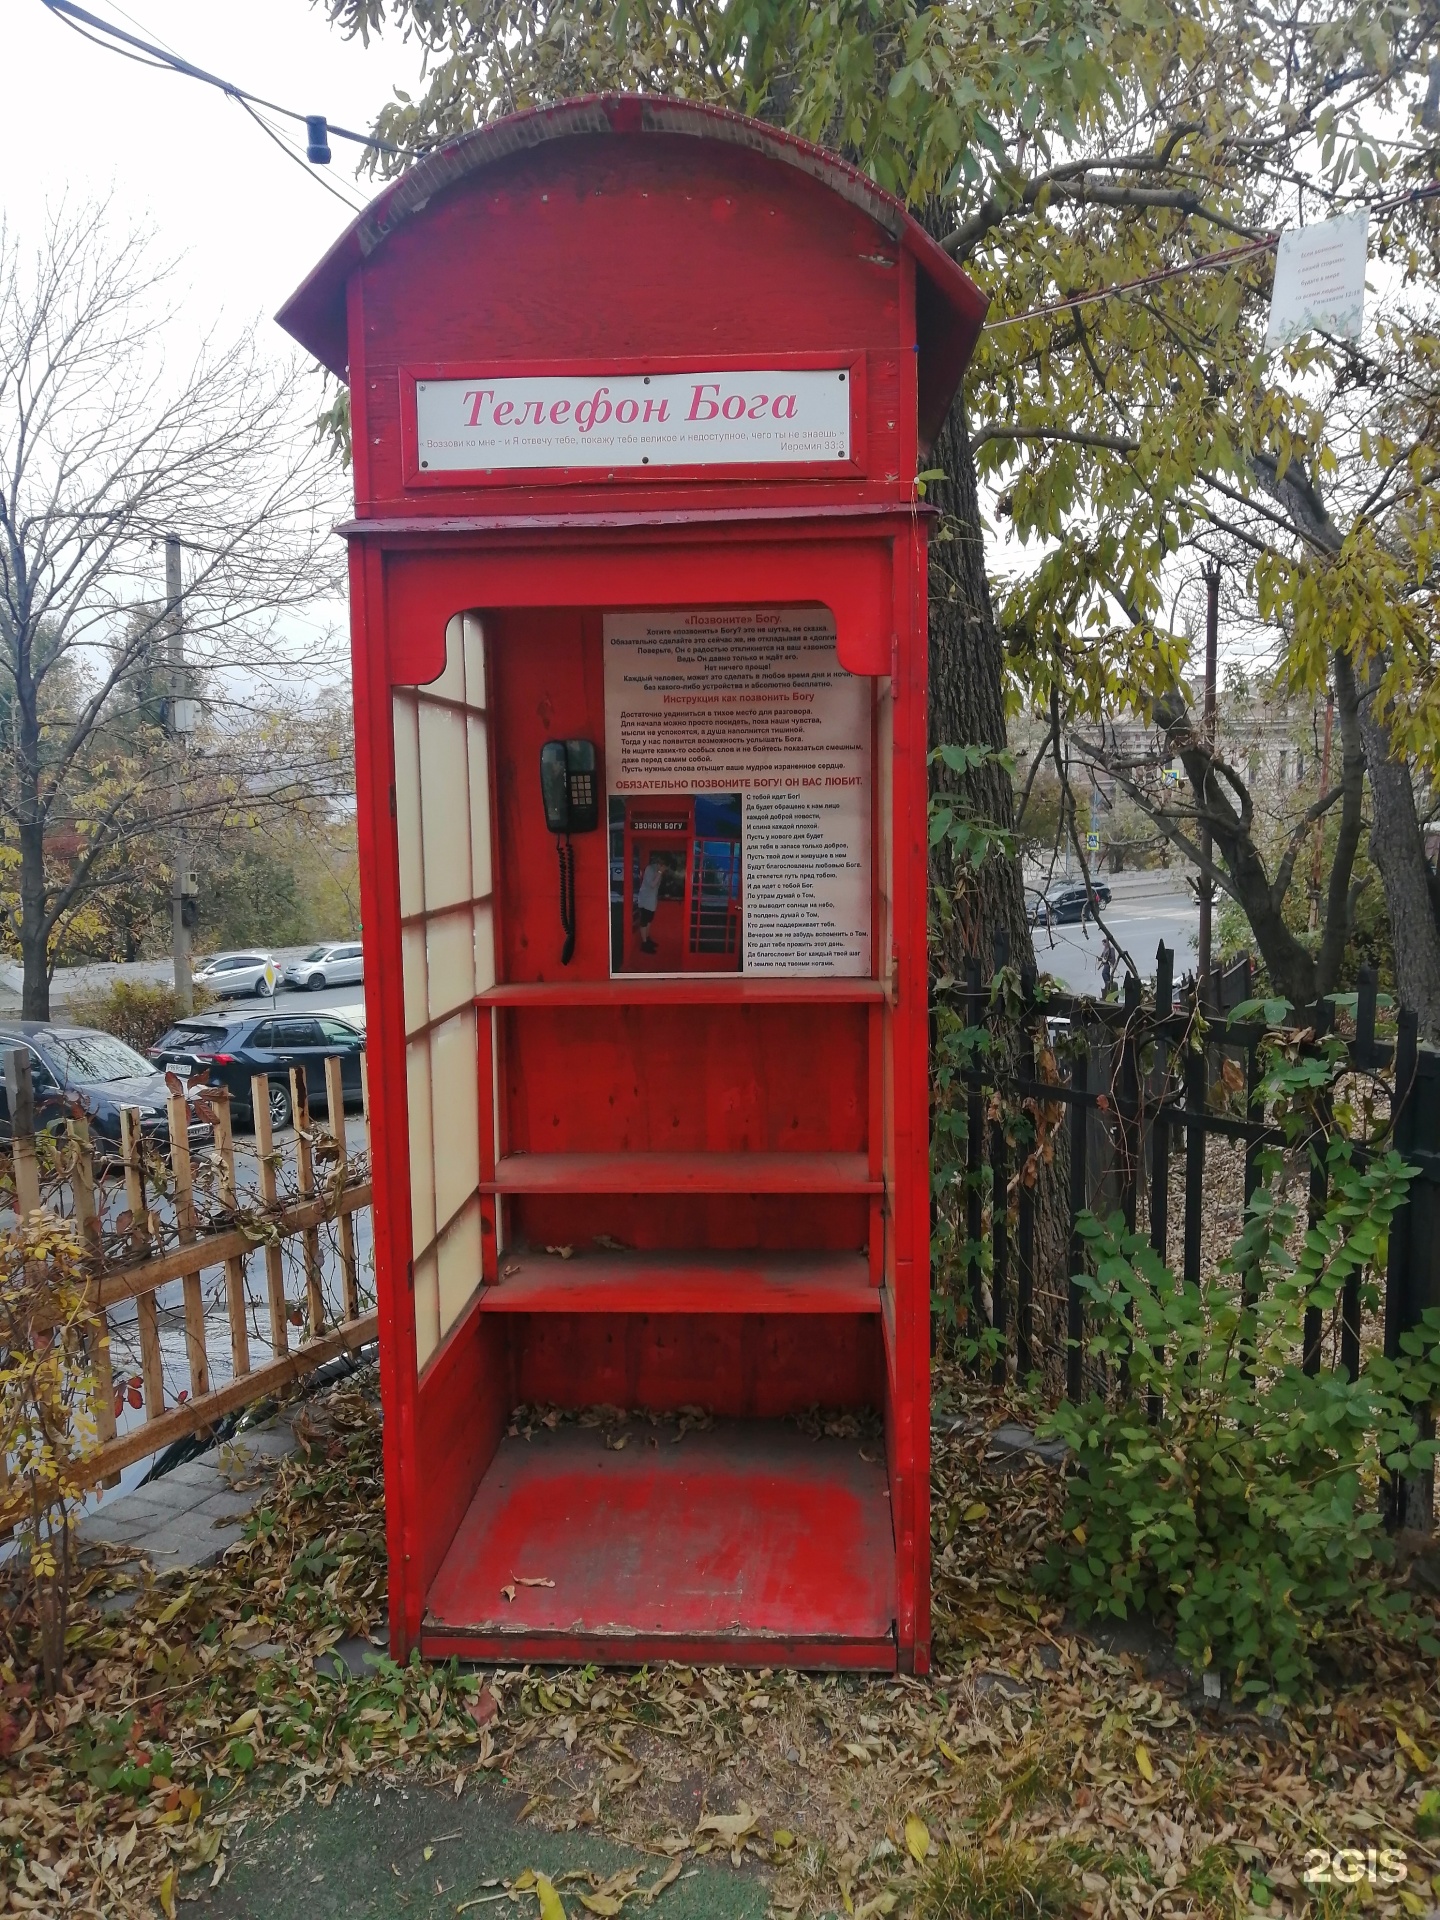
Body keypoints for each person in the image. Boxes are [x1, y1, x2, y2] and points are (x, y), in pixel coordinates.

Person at [635, 855, 663, 952]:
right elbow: (652, 884)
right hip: (645, 900)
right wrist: (660, 872)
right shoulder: (649, 869)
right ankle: (644, 943)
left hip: (651, 901)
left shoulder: (657, 870)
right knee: (644, 921)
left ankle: (647, 939)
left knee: (649, 921)